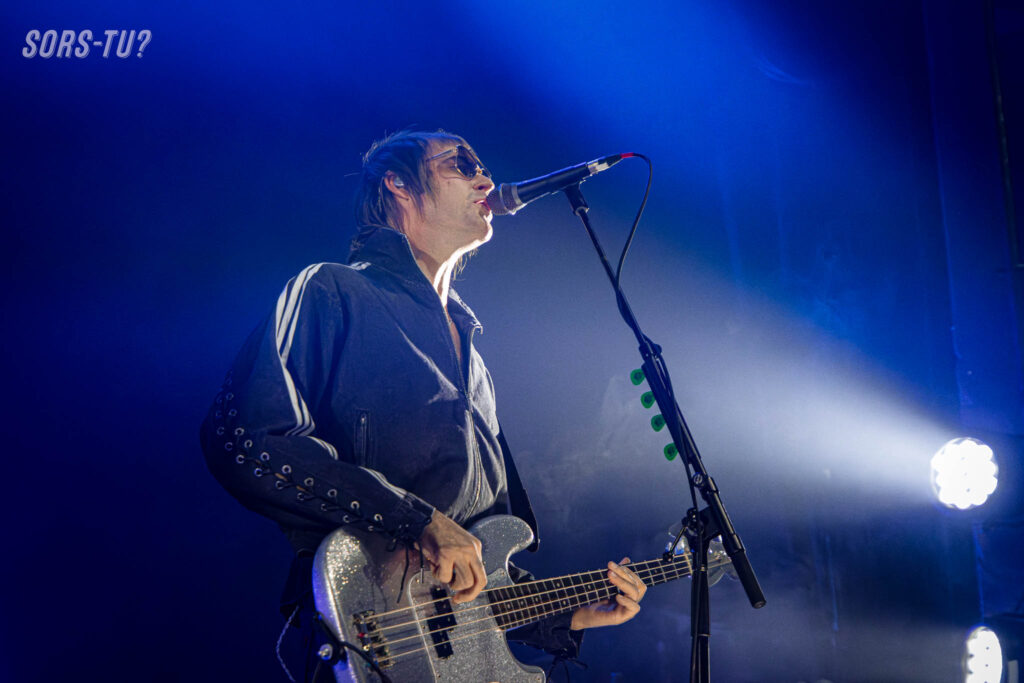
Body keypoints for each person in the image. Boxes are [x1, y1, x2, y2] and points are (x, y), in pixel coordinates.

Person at [200, 129, 647, 681]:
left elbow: (473, 573)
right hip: (361, 637)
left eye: (483, 167)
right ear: (398, 183)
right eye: (462, 164)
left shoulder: (475, 362)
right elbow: (246, 440)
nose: (485, 179)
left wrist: (568, 614)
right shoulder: (331, 291)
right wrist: (418, 520)